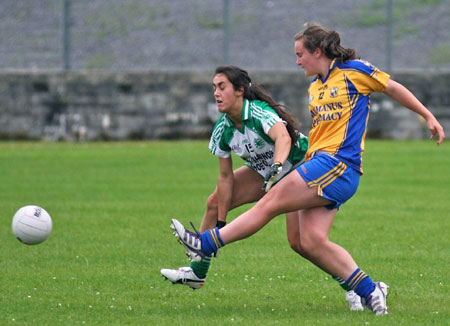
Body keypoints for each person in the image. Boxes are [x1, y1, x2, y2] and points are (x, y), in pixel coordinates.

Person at [170, 23, 445, 316]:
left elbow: (392, 87)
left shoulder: (354, 71)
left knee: (271, 201)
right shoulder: (315, 86)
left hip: (338, 164)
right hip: (319, 165)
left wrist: (427, 115)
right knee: (308, 242)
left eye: (301, 54)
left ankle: (206, 242)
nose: (297, 61)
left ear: (317, 51)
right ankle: (370, 289)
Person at [161, 65, 366, 310]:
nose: (216, 93)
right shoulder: (222, 130)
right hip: (267, 174)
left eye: (222, 87)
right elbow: (225, 179)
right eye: (214, 88)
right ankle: (198, 273)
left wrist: (278, 165)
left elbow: (283, 138)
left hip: (301, 167)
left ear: (239, 91)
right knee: (214, 202)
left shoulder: (258, 112)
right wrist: (221, 224)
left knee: (302, 244)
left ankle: (356, 288)